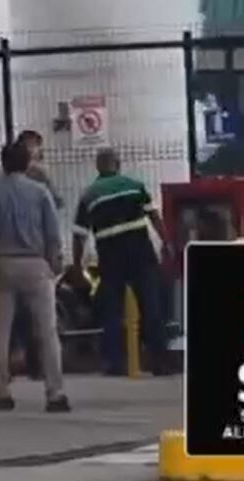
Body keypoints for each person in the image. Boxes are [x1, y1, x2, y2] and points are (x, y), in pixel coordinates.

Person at [0, 140, 70, 413]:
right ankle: (55, 394)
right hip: (36, 264)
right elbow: (52, 232)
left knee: (1, 330)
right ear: (27, 163)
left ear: (3, 163)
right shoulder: (39, 192)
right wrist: (55, 262)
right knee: (47, 331)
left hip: (4, 263)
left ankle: (2, 393)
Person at [72, 148, 171, 377]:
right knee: (151, 307)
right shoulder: (135, 186)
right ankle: (160, 361)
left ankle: (114, 363)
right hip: (141, 254)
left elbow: (79, 234)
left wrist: (78, 265)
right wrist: (166, 243)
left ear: (98, 167)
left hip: (110, 258)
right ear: (118, 164)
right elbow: (154, 216)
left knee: (112, 312)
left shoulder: (90, 195)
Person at [12, 130, 63, 379]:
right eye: (36, 146)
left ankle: (12, 364)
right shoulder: (40, 174)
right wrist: (57, 254)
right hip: (37, 253)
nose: (39, 152)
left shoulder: (1, 176)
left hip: (6, 256)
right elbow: (55, 204)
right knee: (41, 315)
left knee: (13, 314)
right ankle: (39, 366)